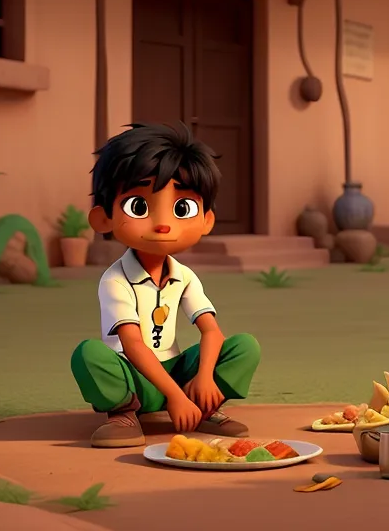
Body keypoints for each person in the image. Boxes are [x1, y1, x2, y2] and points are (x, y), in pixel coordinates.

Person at [70, 123, 260, 448]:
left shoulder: (184, 276)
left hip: (174, 370)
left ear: (206, 220)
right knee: (87, 354)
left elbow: (211, 331)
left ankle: (204, 407)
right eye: (139, 206)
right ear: (103, 218)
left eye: (181, 208)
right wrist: (173, 396)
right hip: (134, 375)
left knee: (244, 346)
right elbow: (131, 344)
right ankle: (124, 414)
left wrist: (202, 378)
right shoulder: (116, 280)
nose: (163, 224)